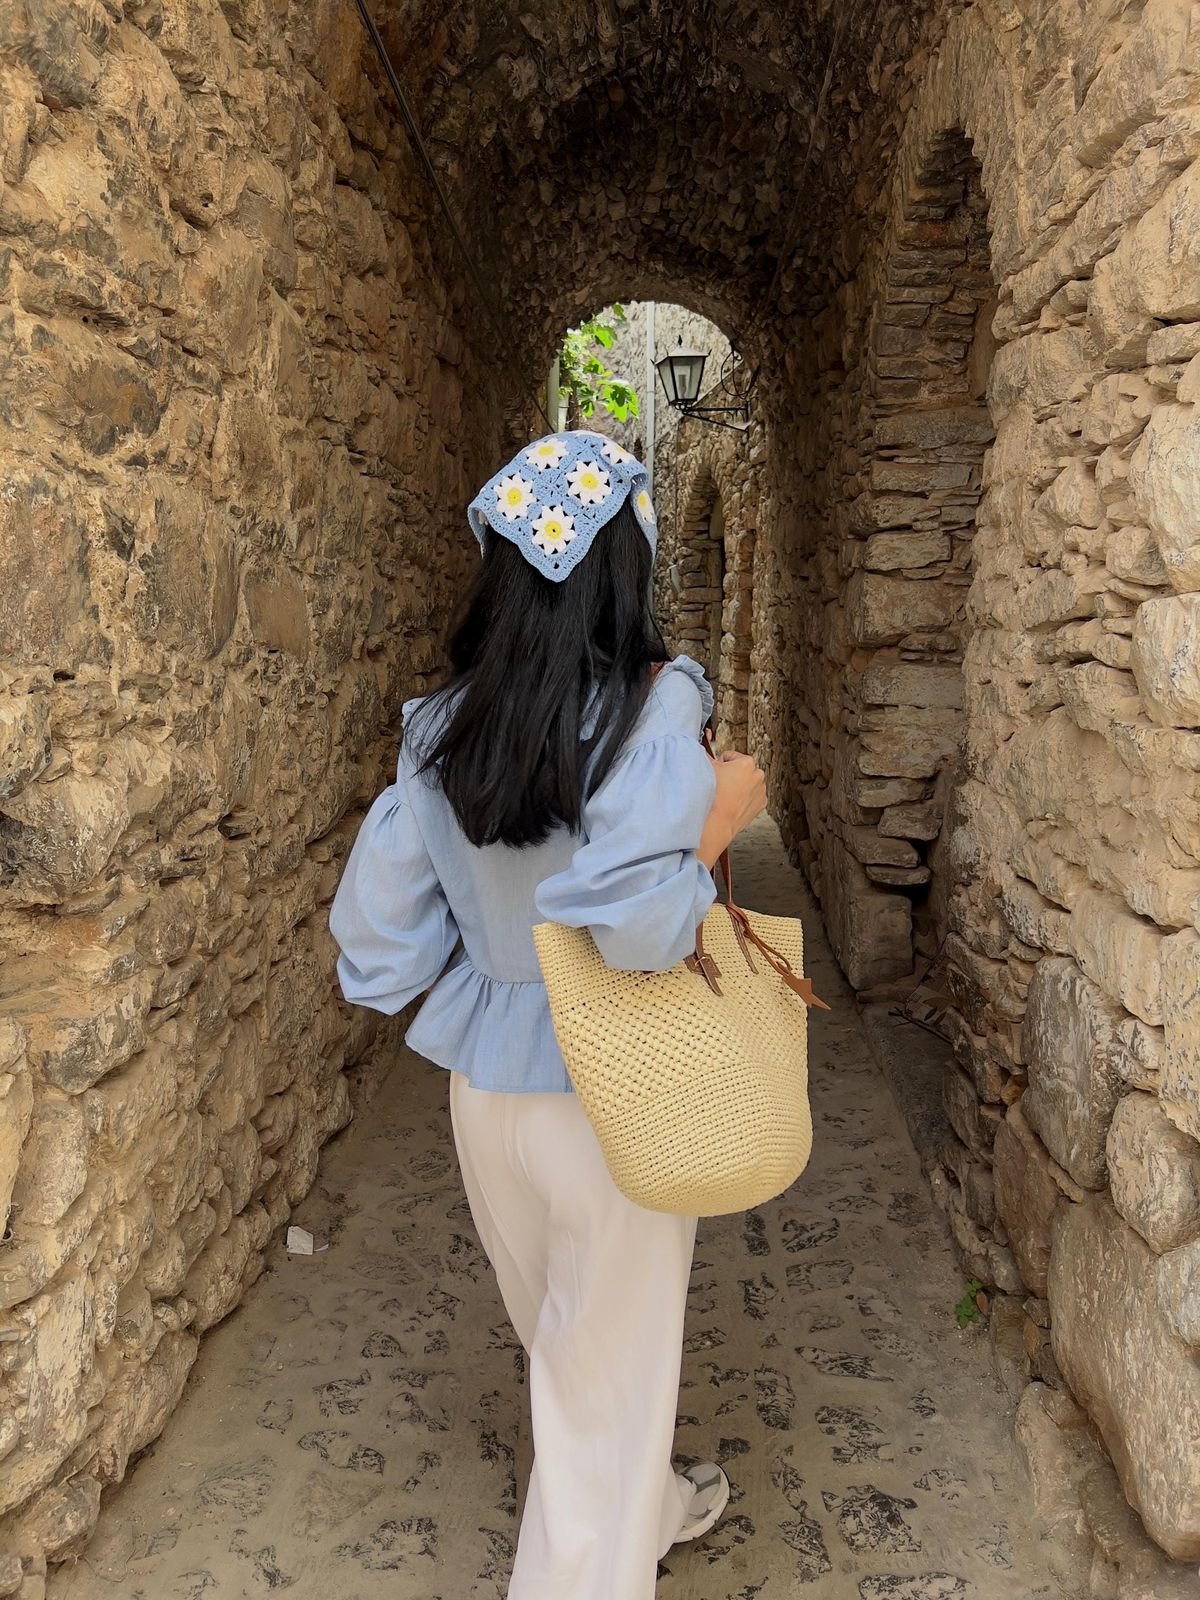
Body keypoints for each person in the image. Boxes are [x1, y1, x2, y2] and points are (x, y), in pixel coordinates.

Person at [329, 428, 767, 1599]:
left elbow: (376, 954)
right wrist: (723, 817)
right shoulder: (655, 703)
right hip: (614, 1086)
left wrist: (491, 926)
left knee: (573, 1355)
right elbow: (633, 920)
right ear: (626, 565)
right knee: (598, 1372)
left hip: (491, 1098)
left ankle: (653, 1501)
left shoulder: (445, 727)